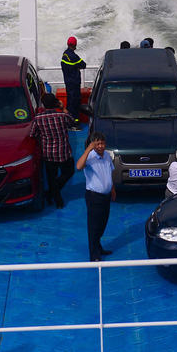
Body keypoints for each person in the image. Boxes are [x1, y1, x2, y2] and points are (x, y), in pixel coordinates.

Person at [29, 93, 75, 208]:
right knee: (68, 172)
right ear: (56, 103)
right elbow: (73, 122)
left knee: (51, 177)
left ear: (43, 105)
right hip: (63, 152)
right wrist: (63, 108)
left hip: (48, 153)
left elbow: (32, 134)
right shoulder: (62, 116)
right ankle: (52, 195)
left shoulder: (38, 118)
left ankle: (55, 198)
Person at [76, 131, 115, 262]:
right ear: (93, 145)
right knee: (93, 226)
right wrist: (88, 150)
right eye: (97, 144)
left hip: (106, 196)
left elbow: (109, 173)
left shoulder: (107, 156)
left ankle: (98, 247)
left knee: (103, 223)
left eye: (102, 143)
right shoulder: (90, 157)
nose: (100, 146)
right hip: (94, 198)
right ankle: (94, 255)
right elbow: (79, 166)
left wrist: (112, 189)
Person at [60, 36, 86, 125]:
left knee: (70, 102)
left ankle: (68, 121)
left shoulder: (64, 54)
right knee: (75, 104)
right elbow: (84, 65)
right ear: (75, 45)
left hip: (68, 83)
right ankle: (74, 122)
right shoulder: (74, 56)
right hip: (74, 84)